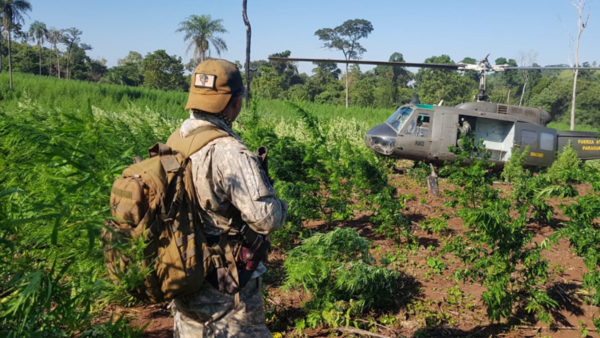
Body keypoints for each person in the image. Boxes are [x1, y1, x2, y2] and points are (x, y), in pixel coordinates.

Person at [171, 59, 287, 338]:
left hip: (182, 269)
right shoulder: (228, 151)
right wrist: (282, 206)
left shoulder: (176, 140)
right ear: (235, 101)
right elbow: (266, 219)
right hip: (223, 283)